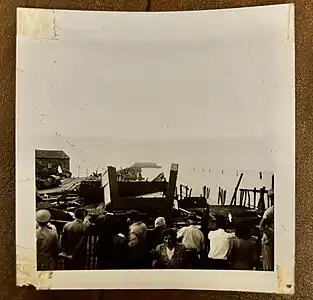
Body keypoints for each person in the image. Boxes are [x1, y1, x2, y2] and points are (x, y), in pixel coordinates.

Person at [259, 203, 274, 271]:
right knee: (269, 263)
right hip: (269, 239)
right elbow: (261, 227)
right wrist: (272, 234)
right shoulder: (270, 211)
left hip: (277, 238)